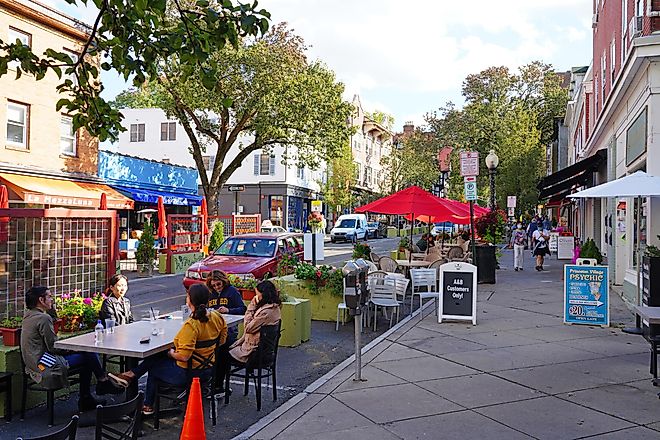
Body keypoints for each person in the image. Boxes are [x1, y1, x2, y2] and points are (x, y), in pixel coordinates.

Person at [110, 284, 227, 415]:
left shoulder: (192, 325)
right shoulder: (217, 317)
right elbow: (222, 340)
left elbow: (184, 356)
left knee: (154, 366)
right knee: (157, 357)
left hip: (188, 374)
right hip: (208, 370)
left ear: (189, 300)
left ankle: (146, 403)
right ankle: (131, 376)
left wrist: (171, 353)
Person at [21, 286, 124, 411]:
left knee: (87, 355)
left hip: (32, 362)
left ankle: (93, 391)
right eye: (49, 297)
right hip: (44, 365)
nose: (52, 300)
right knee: (89, 354)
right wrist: (72, 349)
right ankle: (99, 384)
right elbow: (54, 347)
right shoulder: (43, 318)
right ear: (41, 300)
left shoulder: (28, 316)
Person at [206, 270, 247, 394]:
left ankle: (218, 385)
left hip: (229, 330)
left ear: (223, 281)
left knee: (221, 349)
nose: (217, 288)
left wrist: (228, 310)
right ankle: (205, 381)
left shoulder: (232, 291)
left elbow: (242, 309)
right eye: (213, 286)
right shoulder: (209, 294)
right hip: (212, 329)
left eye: (218, 284)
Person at [229, 280, 281, 363]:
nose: (256, 296)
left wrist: (251, 307)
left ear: (263, 294)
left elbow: (248, 328)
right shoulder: (275, 308)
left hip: (254, 353)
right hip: (264, 351)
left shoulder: (265, 312)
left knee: (222, 353)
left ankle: (219, 376)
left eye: (257, 294)